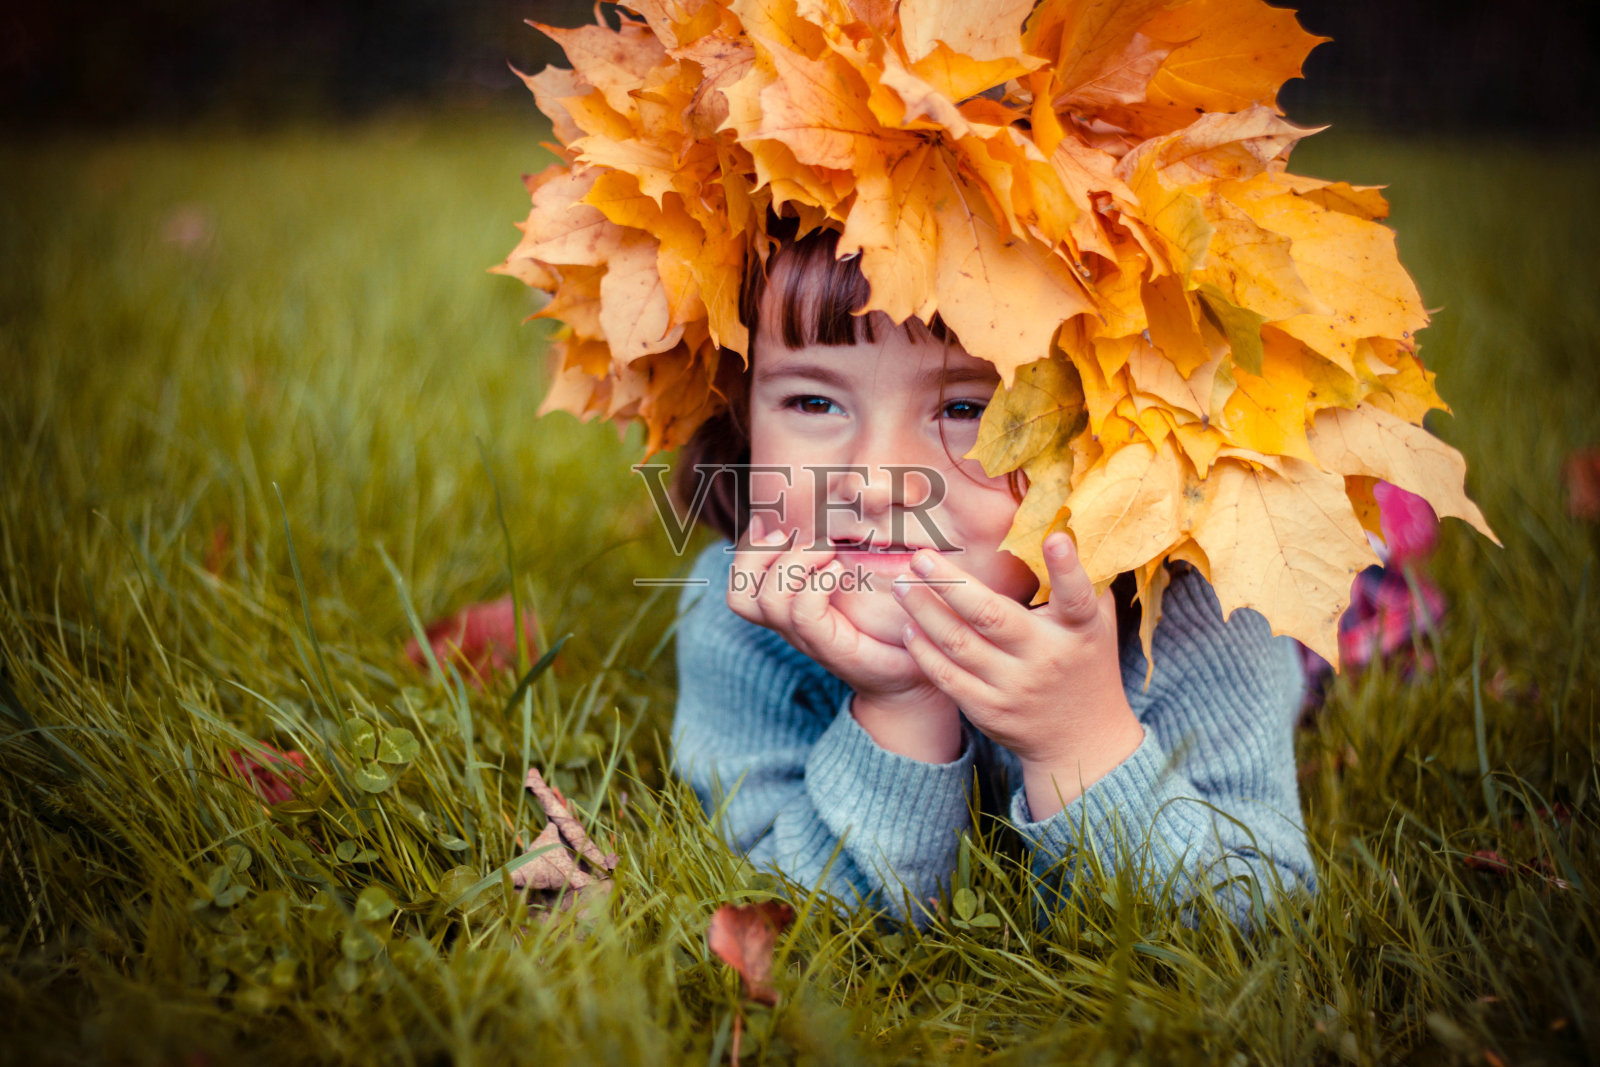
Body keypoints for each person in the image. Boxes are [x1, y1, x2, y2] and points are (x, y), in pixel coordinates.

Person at [669, 224, 1315, 928]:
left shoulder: (1197, 607)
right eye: (814, 402)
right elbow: (792, 910)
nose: (874, 482)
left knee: (1345, 627)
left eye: (967, 409)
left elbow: (1257, 915)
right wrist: (900, 707)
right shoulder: (746, 620)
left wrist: (1083, 742)